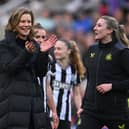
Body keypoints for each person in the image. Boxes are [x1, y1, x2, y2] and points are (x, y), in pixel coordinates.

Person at [0, 7, 53, 129]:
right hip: (13, 105)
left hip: (34, 106)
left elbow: (41, 73)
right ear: (14, 23)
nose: (26, 25)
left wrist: (43, 54)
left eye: (29, 22)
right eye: (22, 21)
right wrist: (26, 53)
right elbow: (9, 68)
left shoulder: (34, 44)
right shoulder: (3, 45)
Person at [77, 15, 129, 129]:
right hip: (91, 111)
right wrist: (83, 106)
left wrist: (112, 86)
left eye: (99, 25)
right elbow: (90, 81)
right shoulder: (92, 50)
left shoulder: (122, 52)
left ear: (110, 30)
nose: (95, 28)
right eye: (95, 25)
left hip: (116, 112)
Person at [46, 39, 86, 129]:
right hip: (49, 114)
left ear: (68, 51)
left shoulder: (73, 70)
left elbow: (76, 94)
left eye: (59, 49)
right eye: (55, 49)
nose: (56, 51)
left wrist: (79, 108)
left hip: (65, 116)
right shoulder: (50, 66)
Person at [33, 23, 59, 129]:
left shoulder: (48, 59)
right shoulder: (25, 56)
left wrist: (53, 111)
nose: (40, 40)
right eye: (37, 36)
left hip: (43, 111)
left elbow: (47, 86)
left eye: (43, 37)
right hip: (29, 109)